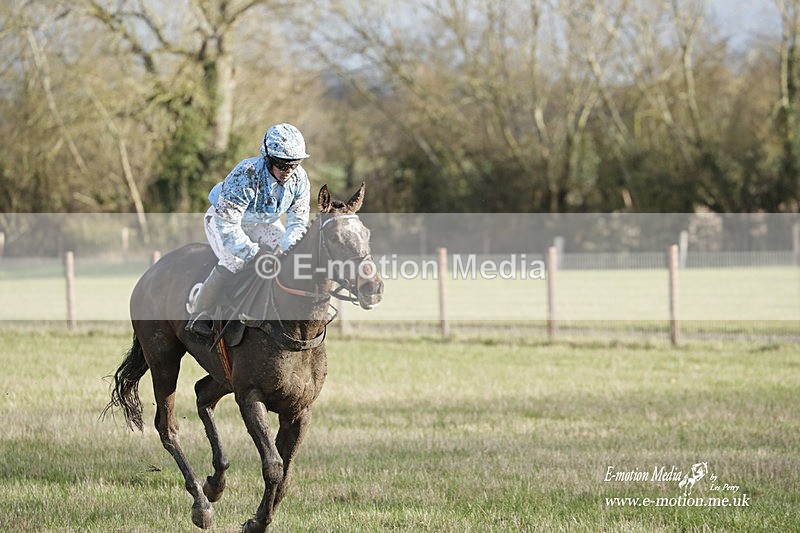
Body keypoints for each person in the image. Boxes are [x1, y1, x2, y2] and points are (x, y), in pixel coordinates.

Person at [186, 123, 311, 336]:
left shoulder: (300, 179)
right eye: (282, 164)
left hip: (263, 222)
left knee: (286, 257)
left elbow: (298, 222)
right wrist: (253, 252)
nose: (288, 171)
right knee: (235, 261)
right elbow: (228, 224)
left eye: (293, 164)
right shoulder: (246, 173)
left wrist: (287, 249)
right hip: (223, 219)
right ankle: (199, 314)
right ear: (269, 159)